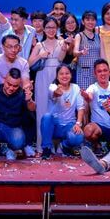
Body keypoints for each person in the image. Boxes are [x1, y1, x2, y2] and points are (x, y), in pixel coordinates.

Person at [28, 18, 67, 148]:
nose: (51, 30)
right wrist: (40, 55)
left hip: (58, 76)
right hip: (42, 77)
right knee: (42, 109)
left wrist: (65, 48)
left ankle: (58, 145)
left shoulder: (62, 42)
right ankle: (43, 145)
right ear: (44, 29)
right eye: (48, 27)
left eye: (53, 27)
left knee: (59, 109)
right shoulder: (39, 45)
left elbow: (61, 59)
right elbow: (29, 63)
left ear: (57, 29)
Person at [81, 59, 110, 153]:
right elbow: (89, 97)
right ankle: (97, 144)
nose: (102, 73)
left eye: (105, 70)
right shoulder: (92, 87)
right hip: (100, 128)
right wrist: (86, 96)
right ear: (95, 74)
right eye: (99, 71)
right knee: (88, 131)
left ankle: (108, 145)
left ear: (109, 72)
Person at [40, 64, 86, 158]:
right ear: (57, 76)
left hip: (69, 124)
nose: (64, 76)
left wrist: (78, 124)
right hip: (55, 125)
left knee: (78, 138)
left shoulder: (76, 87)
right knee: (46, 117)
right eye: (61, 74)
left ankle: (64, 145)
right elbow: (55, 93)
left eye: (67, 73)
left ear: (71, 75)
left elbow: (80, 108)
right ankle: (46, 148)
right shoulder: (52, 86)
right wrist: (58, 92)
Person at [74, 11, 102, 90]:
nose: (90, 22)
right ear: (83, 22)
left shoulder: (99, 37)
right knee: (84, 95)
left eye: (93, 20)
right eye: (88, 20)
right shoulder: (79, 36)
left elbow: (102, 56)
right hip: (84, 73)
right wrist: (81, 52)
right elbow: (75, 52)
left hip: (97, 72)